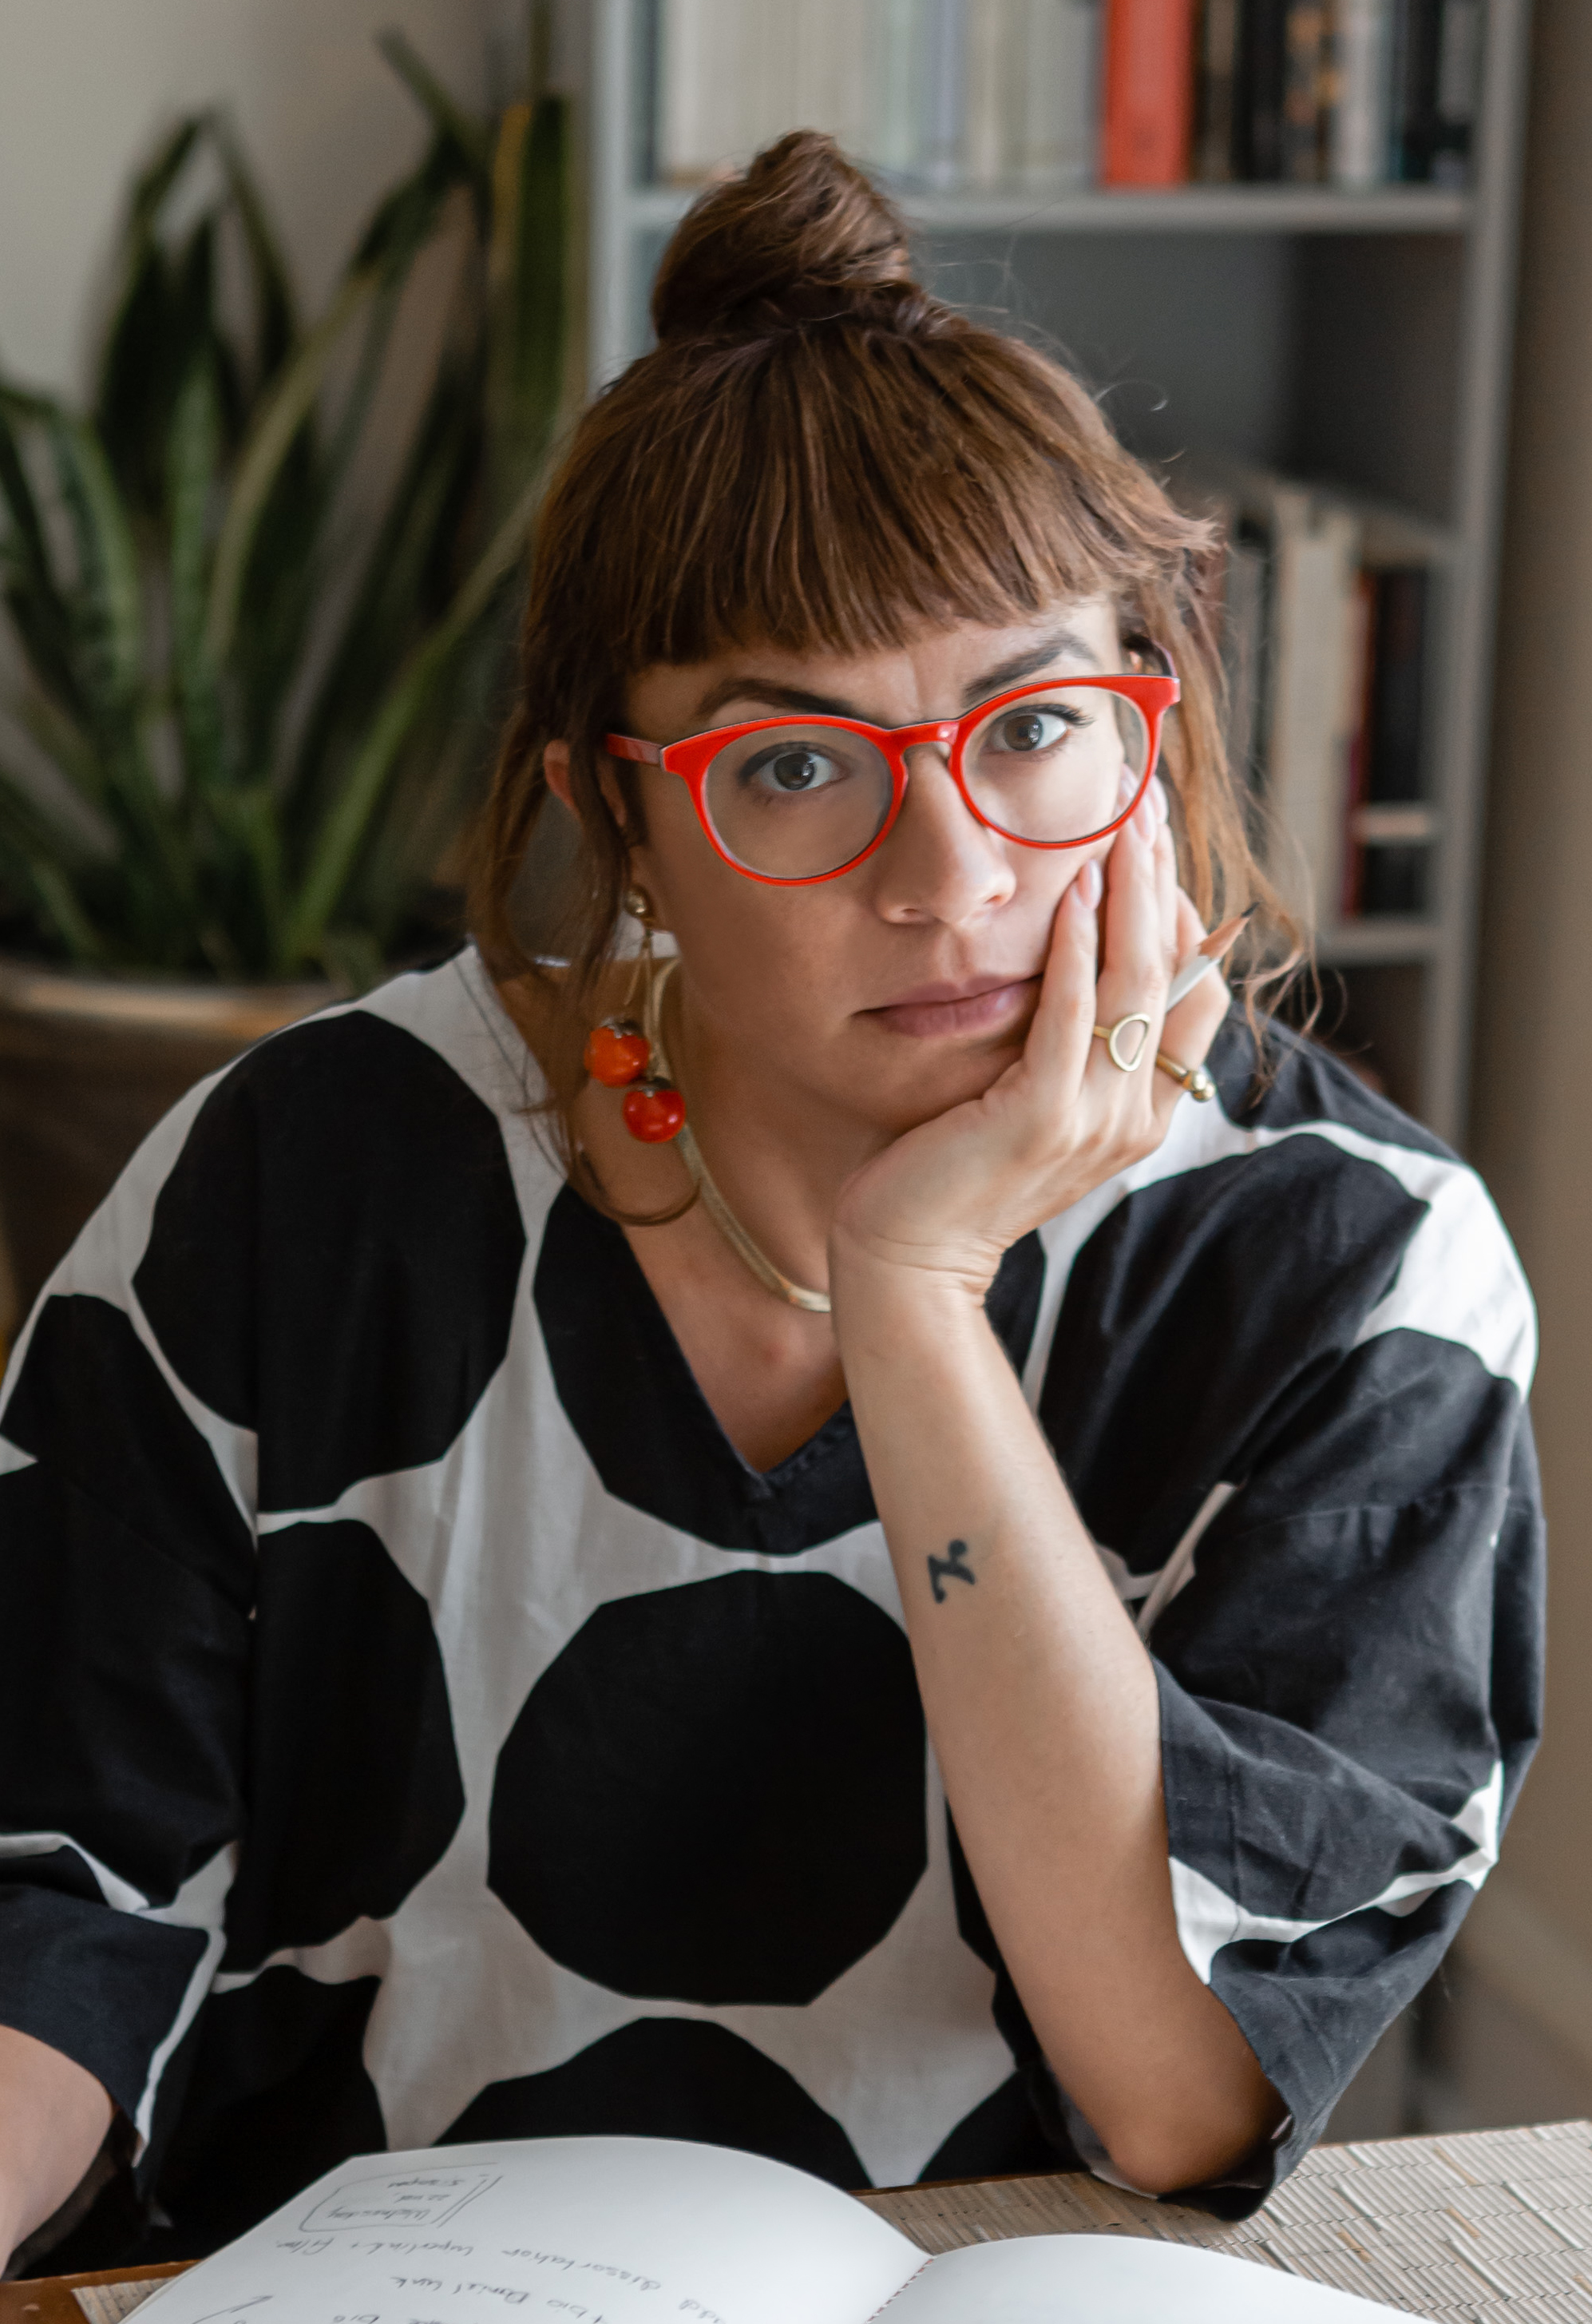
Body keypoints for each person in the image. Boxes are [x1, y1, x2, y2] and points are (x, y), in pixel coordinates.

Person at [0, 133, 1542, 2270]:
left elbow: (1180, 2095)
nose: (953, 879)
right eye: (792, 765)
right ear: (612, 811)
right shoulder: (314, 1174)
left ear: (1150, 716)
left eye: (1032, 726)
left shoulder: (1351, 1268)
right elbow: (58, 1907)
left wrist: (912, 1296)